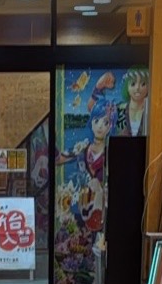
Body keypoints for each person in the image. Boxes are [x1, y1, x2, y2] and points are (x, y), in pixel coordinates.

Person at [56, 99, 115, 231]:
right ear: (91, 122)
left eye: (105, 122)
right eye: (96, 121)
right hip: (82, 208)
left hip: (103, 212)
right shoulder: (82, 147)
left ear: (110, 126)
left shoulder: (112, 152)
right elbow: (59, 159)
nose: (100, 126)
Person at [116, 68, 149, 136]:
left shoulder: (151, 111)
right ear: (127, 87)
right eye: (133, 84)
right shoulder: (118, 109)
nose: (137, 88)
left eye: (143, 84)